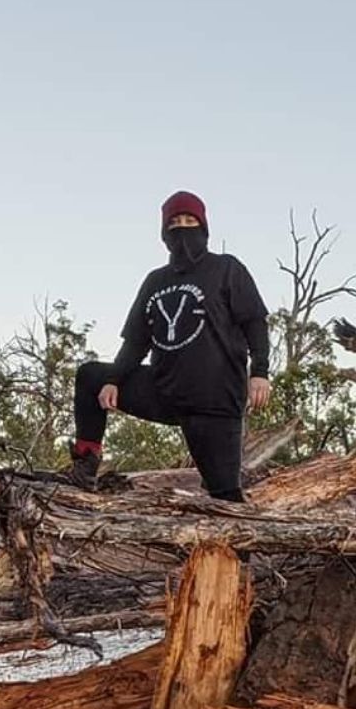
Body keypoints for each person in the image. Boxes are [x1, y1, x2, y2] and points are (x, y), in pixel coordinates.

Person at [68, 191, 272, 501]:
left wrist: (260, 371)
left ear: (203, 227)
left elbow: (254, 321)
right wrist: (114, 380)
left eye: (190, 221)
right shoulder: (155, 281)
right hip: (164, 390)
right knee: (90, 376)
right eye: (174, 223)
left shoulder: (227, 268)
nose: (183, 229)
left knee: (226, 500)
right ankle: (85, 469)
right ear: (164, 233)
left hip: (214, 402)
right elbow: (136, 342)